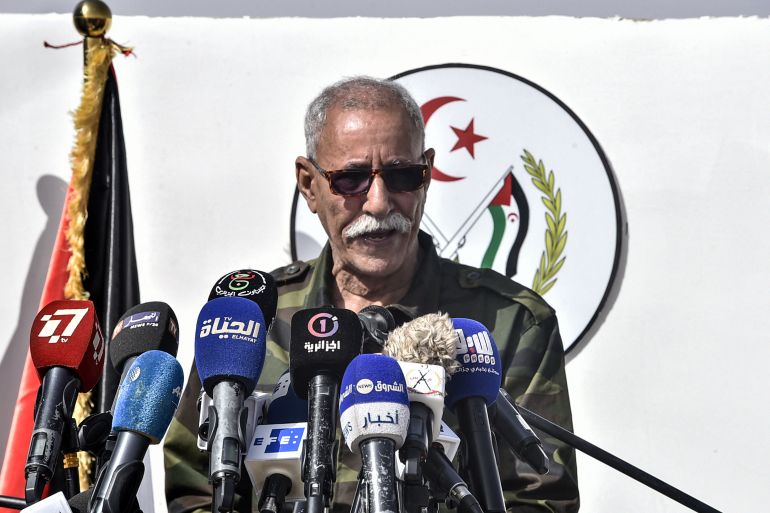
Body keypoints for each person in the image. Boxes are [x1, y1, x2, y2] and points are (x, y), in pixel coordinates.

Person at [164, 76, 579, 513]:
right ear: (308, 185)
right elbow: (195, 492)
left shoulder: (511, 323)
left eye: (402, 176)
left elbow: (540, 501)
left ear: (427, 174)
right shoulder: (249, 321)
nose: (379, 203)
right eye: (351, 180)